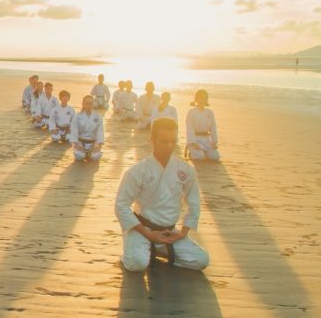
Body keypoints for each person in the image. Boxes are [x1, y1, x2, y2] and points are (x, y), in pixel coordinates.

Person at [114, 117, 209, 272]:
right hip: (142, 229)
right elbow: (121, 206)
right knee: (137, 264)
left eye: (173, 141)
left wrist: (182, 232)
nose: (169, 146)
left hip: (169, 232)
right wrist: (148, 234)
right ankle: (131, 252)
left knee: (201, 260)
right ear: (152, 140)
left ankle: (157, 250)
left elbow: (194, 202)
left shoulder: (185, 170)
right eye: (164, 142)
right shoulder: (137, 171)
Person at [186, 89, 220, 161]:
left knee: (216, 156)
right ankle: (192, 153)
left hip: (206, 140)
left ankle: (205, 152)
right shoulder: (191, 112)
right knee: (199, 156)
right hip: (195, 140)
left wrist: (214, 142)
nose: (202, 100)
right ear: (196, 99)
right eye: (200, 98)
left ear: (206, 100)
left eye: (204, 98)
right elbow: (189, 128)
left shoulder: (209, 112)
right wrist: (193, 142)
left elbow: (213, 128)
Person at [70, 95, 105, 161]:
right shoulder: (78, 116)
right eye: (87, 103)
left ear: (94, 104)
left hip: (93, 143)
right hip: (81, 142)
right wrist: (76, 144)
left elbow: (100, 131)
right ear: (83, 104)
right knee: (79, 156)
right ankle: (83, 153)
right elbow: (74, 130)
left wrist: (99, 145)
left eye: (91, 103)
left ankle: (90, 154)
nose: (89, 105)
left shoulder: (98, 116)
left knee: (96, 157)